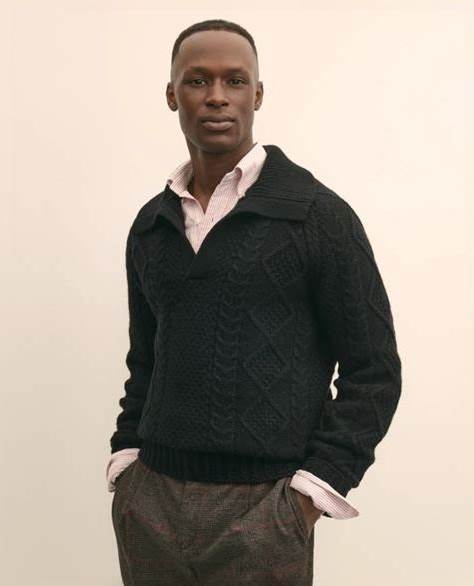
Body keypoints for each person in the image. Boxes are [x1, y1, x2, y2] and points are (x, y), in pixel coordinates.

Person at [106, 18, 402, 586]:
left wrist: (309, 497)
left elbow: (375, 371)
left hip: (265, 514)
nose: (217, 96)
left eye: (235, 80)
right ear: (172, 95)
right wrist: (127, 462)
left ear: (258, 94)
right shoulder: (151, 225)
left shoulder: (318, 216)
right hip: (151, 505)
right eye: (197, 80)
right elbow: (146, 360)